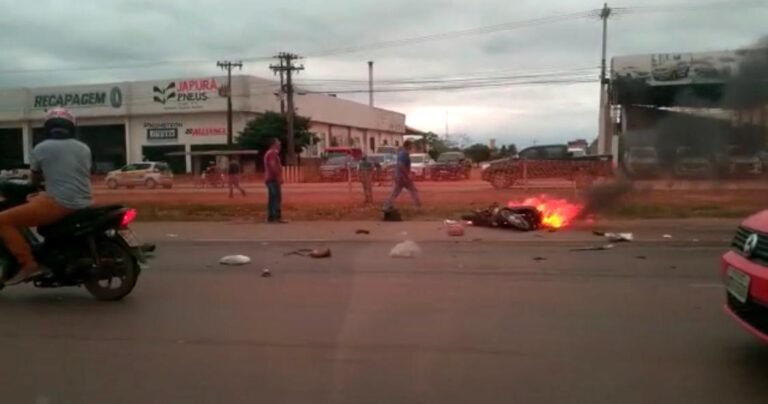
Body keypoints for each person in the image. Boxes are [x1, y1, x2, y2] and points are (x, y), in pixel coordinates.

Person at [0, 107, 92, 285]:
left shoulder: (41, 148)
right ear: (72, 127)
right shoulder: (84, 148)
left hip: (59, 203)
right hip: (83, 200)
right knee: (35, 199)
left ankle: (28, 264)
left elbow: (35, 178)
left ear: (48, 128)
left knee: (2, 220)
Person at [383, 140, 421, 210]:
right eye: (411, 145)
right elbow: (401, 165)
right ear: (408, 146)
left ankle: (387, 205)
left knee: (395, 192)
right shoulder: (404, 154)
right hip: (403, 177)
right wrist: (407, 175)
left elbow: (399, 165)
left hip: (399, 176)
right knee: (413, 190)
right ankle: (418, 206)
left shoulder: (401, 154)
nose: (412, 147)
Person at [264, 138, 285, 223]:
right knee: (276, 197)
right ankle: (276, 216)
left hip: (270, 178)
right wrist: (278, 177)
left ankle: (271, 217)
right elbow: (273, 166)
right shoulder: (272, 154)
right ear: (273, 144)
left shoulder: (270, 153)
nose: (279, 146)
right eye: (278, 144)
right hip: (272, 179)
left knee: (272, 198)